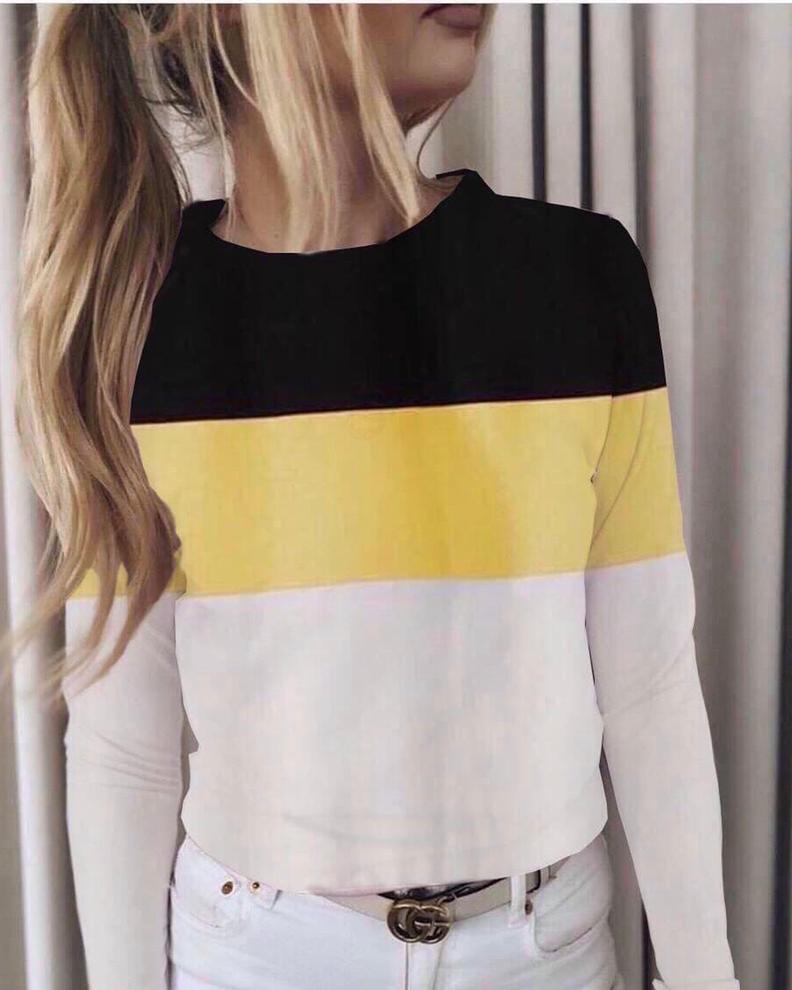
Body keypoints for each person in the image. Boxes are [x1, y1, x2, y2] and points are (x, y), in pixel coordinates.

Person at [8, 5, 739, 989]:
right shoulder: (138, 322)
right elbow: (122, 749)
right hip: (255, 960)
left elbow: (649, 682)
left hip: (547, 953)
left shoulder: (578, 278)